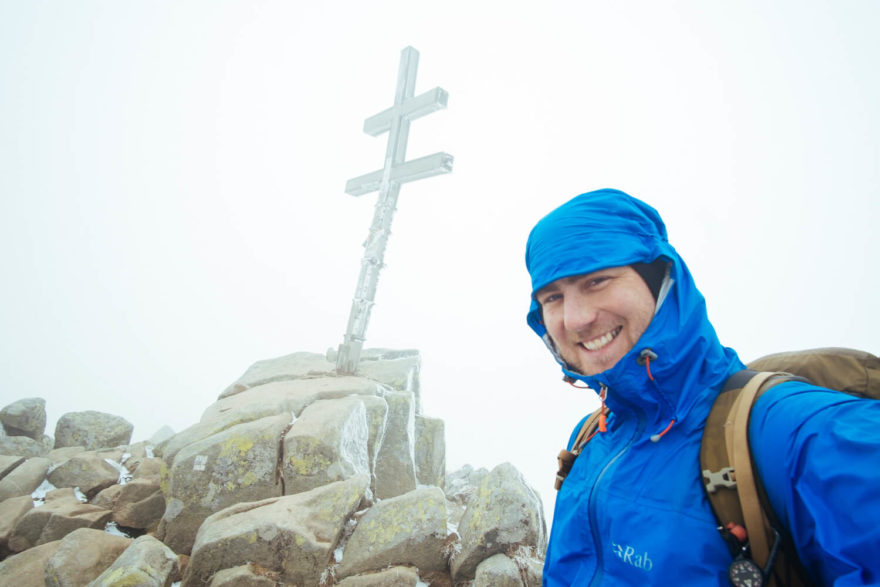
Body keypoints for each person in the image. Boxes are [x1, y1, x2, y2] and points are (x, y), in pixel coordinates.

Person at [525, 188, 880, 585]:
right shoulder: (591, 437)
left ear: (662, 278)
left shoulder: (798, 434)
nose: (574, 319)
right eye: (552, 297)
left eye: (597, 281)